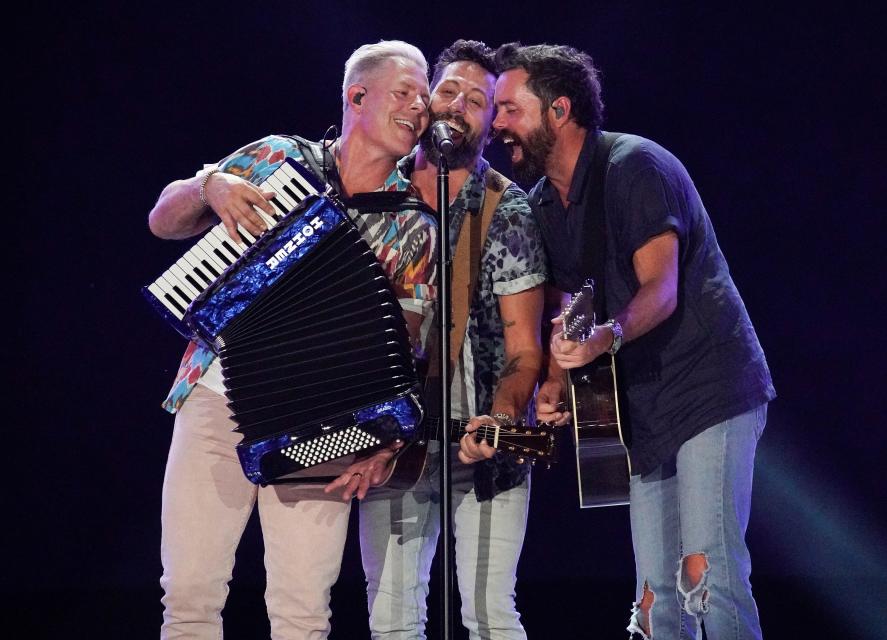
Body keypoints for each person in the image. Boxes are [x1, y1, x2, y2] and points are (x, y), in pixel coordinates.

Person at [147, 40, 436, 639]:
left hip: (324, 423)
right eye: (404, 92)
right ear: (357, 96)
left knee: (302, 610)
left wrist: (380, 442)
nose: (420, 107)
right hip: (216, 396)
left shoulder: (412, 223)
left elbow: (403, 352)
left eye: (424, 98)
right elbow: (161, 220)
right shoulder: (281, 158)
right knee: (189, 595)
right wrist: (210, 186)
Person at [491, 43, 776, 640]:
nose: (497, 125)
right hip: (642, 405)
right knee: (654, 596)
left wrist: (602, 339)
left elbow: (661, 289)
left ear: (559, 110)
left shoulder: (635, 166)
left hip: (708, 390)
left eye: (510, 109)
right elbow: (571, 305)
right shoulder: (545, 201)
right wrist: (554, 382)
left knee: (708, 570)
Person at [324, 40, 546, 640]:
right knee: (393, 617)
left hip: (482, 446)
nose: (459, 104)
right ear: (424, 102)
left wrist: (497, 422)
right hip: (392, 446)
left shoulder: (506, 209)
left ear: (489, 121)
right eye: (448, 90)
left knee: (490, 615)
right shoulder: (376, 187)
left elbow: (526, 349)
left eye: (478, 100)